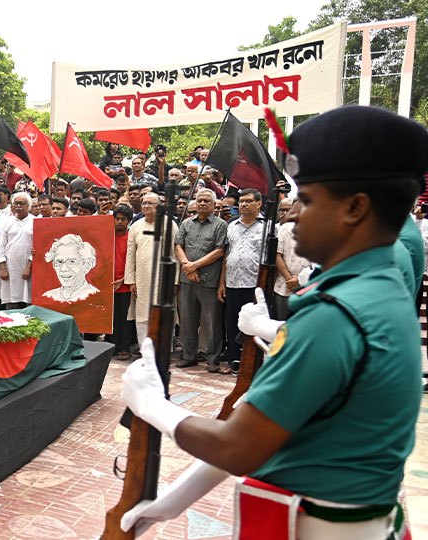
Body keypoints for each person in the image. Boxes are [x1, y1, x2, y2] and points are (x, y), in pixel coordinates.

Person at [119, 105, 428, 540]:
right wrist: (171, 504)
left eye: (308, 200)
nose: (292, 214)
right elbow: (268, 427)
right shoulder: (379, 289)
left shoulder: (335, 313)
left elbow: (240, 446)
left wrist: (153, 405)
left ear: (356, 208)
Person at [174, 188, 228, 372]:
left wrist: (193, 266)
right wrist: (187, 266)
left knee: (212, 322)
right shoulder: (186, 223)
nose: (202, 203)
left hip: (209, 281)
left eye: (207, 201)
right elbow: (178, 246)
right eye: (200, 200)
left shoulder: (221, 225)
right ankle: (189, 355)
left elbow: (219, 251)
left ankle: (213, 359)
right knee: (187, 320)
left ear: (214, 205)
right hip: (187, 279)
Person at [217, 188, 264, 373]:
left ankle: (252, 361)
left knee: (253, 324)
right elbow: (226, 257)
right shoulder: (231, 226)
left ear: (258, 203)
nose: (243, 204)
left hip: (254, 284)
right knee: (232, 324)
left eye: (248, 201)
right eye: (241, 201)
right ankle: (234, 361)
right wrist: (222, 283)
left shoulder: (268, 226)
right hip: (232, 283)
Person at [125, 192, 179, 343]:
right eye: (144, 203)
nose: (146, 206)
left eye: (150, 203)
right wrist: (131, 281)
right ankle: (145, 349)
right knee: (142, 314)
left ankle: (163, 350)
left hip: (164, 278)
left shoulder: (170, 225)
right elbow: (130, 255)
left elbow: (176, 253)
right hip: (142, 279)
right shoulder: (135, 226)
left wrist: (175, 281)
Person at [106, 204, 134, 359]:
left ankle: (124, 348)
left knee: (124, 318)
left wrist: (123, 280)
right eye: (117, 218)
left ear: (129, 221)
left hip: (125, 285)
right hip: (107, 284)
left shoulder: (131, 238)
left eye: (123, 219)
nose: (120, 222)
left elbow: (134, 262)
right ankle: (111, 346)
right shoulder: (105, 236)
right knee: (109, 318)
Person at [0, 192, 34, 309]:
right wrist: (2, 268)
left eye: (21, 203)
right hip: (10, 268)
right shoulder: (8, 222)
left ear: (28, 205)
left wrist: (28, 267)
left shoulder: (35, 221)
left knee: (28, 299)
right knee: (11, 301)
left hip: (29, 267)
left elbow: (37, 247)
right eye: (16, 203)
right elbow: (1, 246)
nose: (18, 206)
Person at [42, 234, 99, 303]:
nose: (63, 269)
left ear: (87, 265)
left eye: (72, 261)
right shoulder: (48, 296)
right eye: (59, 262)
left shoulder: (96, 296)